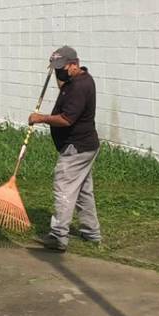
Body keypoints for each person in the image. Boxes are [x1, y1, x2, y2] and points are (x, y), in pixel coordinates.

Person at [28, 45, 101, 250]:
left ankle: (59, 236)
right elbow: (63, 87)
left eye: (61, 67)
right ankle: (91, 233)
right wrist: (56, 72)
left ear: (74, 64)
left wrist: (40, 118)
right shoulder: (75, 80)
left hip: (76, 147)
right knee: (84, 191)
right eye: (55, 68)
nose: (58, 72)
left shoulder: (79, 87)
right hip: (86, 145)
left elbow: (67, 119)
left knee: (64, 188)